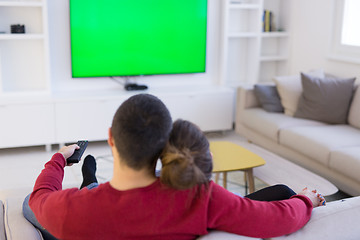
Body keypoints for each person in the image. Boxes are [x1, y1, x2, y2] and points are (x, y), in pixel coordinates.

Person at [23, 94, 325, 240]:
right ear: (165, 145)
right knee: (283, 191)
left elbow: (39, 197)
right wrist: (305, 199)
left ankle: (90, 181)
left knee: (28, 205)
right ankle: (90, 179)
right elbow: (278, 218)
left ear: (111, 139)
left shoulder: (72, 210)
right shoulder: (202, 197)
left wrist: (60, 158)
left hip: (87, 211)